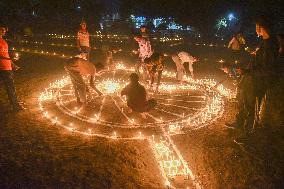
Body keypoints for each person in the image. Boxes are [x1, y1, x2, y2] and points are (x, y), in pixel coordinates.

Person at [0, 24, 24, 112]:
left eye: (5, 29)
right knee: (10, 87)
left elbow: (5, 54)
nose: (4, 31)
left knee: (11, 87)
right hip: (2, 67)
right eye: (1, 29)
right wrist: (8, 59)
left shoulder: (4, 41)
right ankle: (15, 106)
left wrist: (13, 64)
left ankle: (15, 103)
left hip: (7, 67)